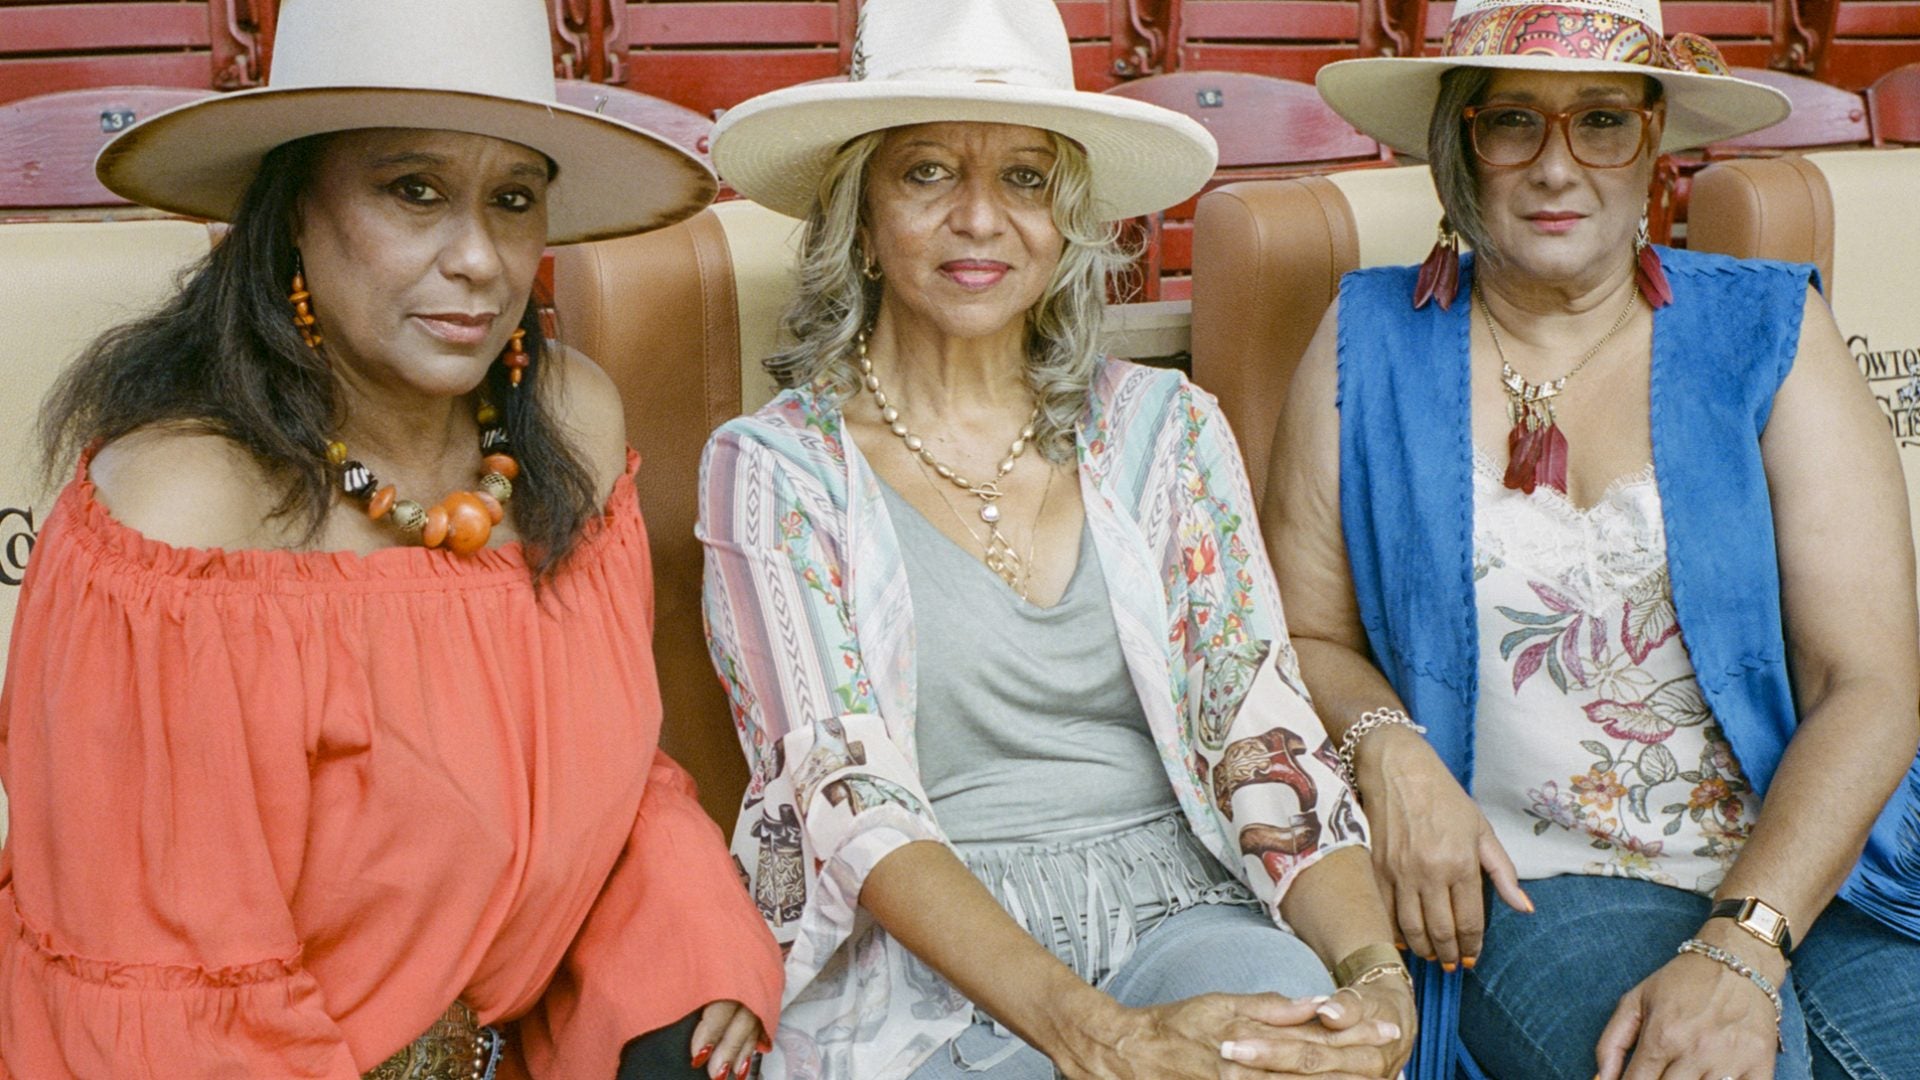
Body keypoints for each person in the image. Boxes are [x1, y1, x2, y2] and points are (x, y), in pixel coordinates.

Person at [0, 2, 781, 1077]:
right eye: (412, 190)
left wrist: (690, 939)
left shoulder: (567, 425)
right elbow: (166, 999)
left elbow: (608, 770)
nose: (476, 258)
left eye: (513, 199)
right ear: (294, 215)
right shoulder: (184, 519)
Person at [697, 2, 1418, 1078]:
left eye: (1026, 179)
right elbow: (847, 803)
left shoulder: (1167, 431)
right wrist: (1100, 1038)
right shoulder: (774, 468)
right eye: (928, 173)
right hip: (922, 948)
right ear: (858, 216)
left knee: (1293, 1046)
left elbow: (1257, 732)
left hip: (1182, 909)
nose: (981, 219)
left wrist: (1372, 978)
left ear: (1067, 218)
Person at [1265, 1, 1920, 1076]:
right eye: (1512, 119)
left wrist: (1742, 943)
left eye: (1602, 120)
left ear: (1653, 140)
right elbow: (1301, 632)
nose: (1556, 167)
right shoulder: (1369, 338)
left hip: (1813, 866)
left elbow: (1871, 684)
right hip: (1535, 877)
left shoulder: (1768, 328)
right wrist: (1391, 749)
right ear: (1458, 144)